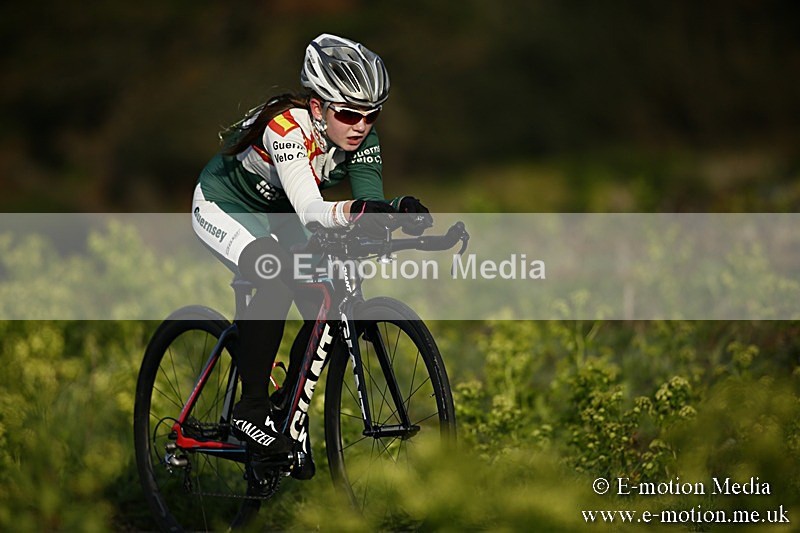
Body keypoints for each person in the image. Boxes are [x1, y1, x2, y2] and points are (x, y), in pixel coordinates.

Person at [191, 33, 432, 486]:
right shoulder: (286, 128)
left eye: (371, 114)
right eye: (348, 114)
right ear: (319, 108)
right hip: (226, 205)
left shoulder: (363, 138)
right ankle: (251, 408)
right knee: (273, 274)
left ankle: (284, 406)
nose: (360, 125)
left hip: (279, 213)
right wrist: (357, 212)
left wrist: (398, 212)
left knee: (326, 293)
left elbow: (367, 205)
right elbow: (311, 209)